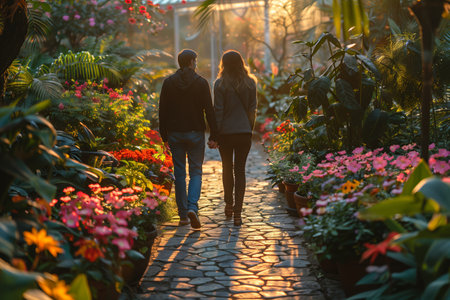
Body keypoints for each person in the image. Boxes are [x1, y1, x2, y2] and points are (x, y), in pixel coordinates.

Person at [159, 49, 218, 229]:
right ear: (192, 62)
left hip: (175, 134)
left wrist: (164, 136)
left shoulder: (168, 83)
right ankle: (193, 207)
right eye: (196, 60)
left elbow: (163, 111)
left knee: (179, 174)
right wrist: (214, 135)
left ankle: (183, 216)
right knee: (196, 172)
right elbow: (209, 110)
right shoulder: (201, 83)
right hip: (195, 133)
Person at [213, 50, 257, 226]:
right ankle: (238, 213)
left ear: (223, 64)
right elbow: (252, 109)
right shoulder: (250, 82)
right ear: (241, 62)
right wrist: (249, 129)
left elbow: (218, 111)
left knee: (226, 168)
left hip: (226, 134)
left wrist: (215, 135)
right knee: (240, 171)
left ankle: (228, 205)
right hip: (244, 133)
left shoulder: (219, 84)